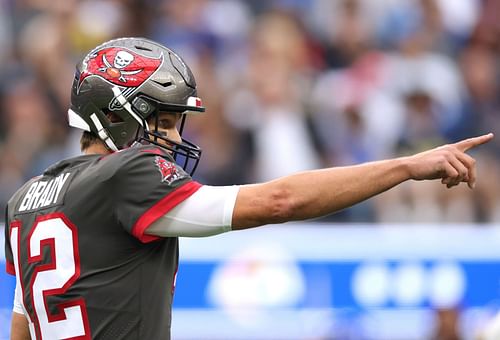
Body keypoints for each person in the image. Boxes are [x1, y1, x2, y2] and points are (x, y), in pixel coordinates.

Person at [4, 37, 493, 340]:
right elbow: (280, 200)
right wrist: (405, 167)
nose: (174, 138)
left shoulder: (25, 198)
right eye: (165, 122)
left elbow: (23, 326)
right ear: (112, 114)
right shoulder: (127, 175)